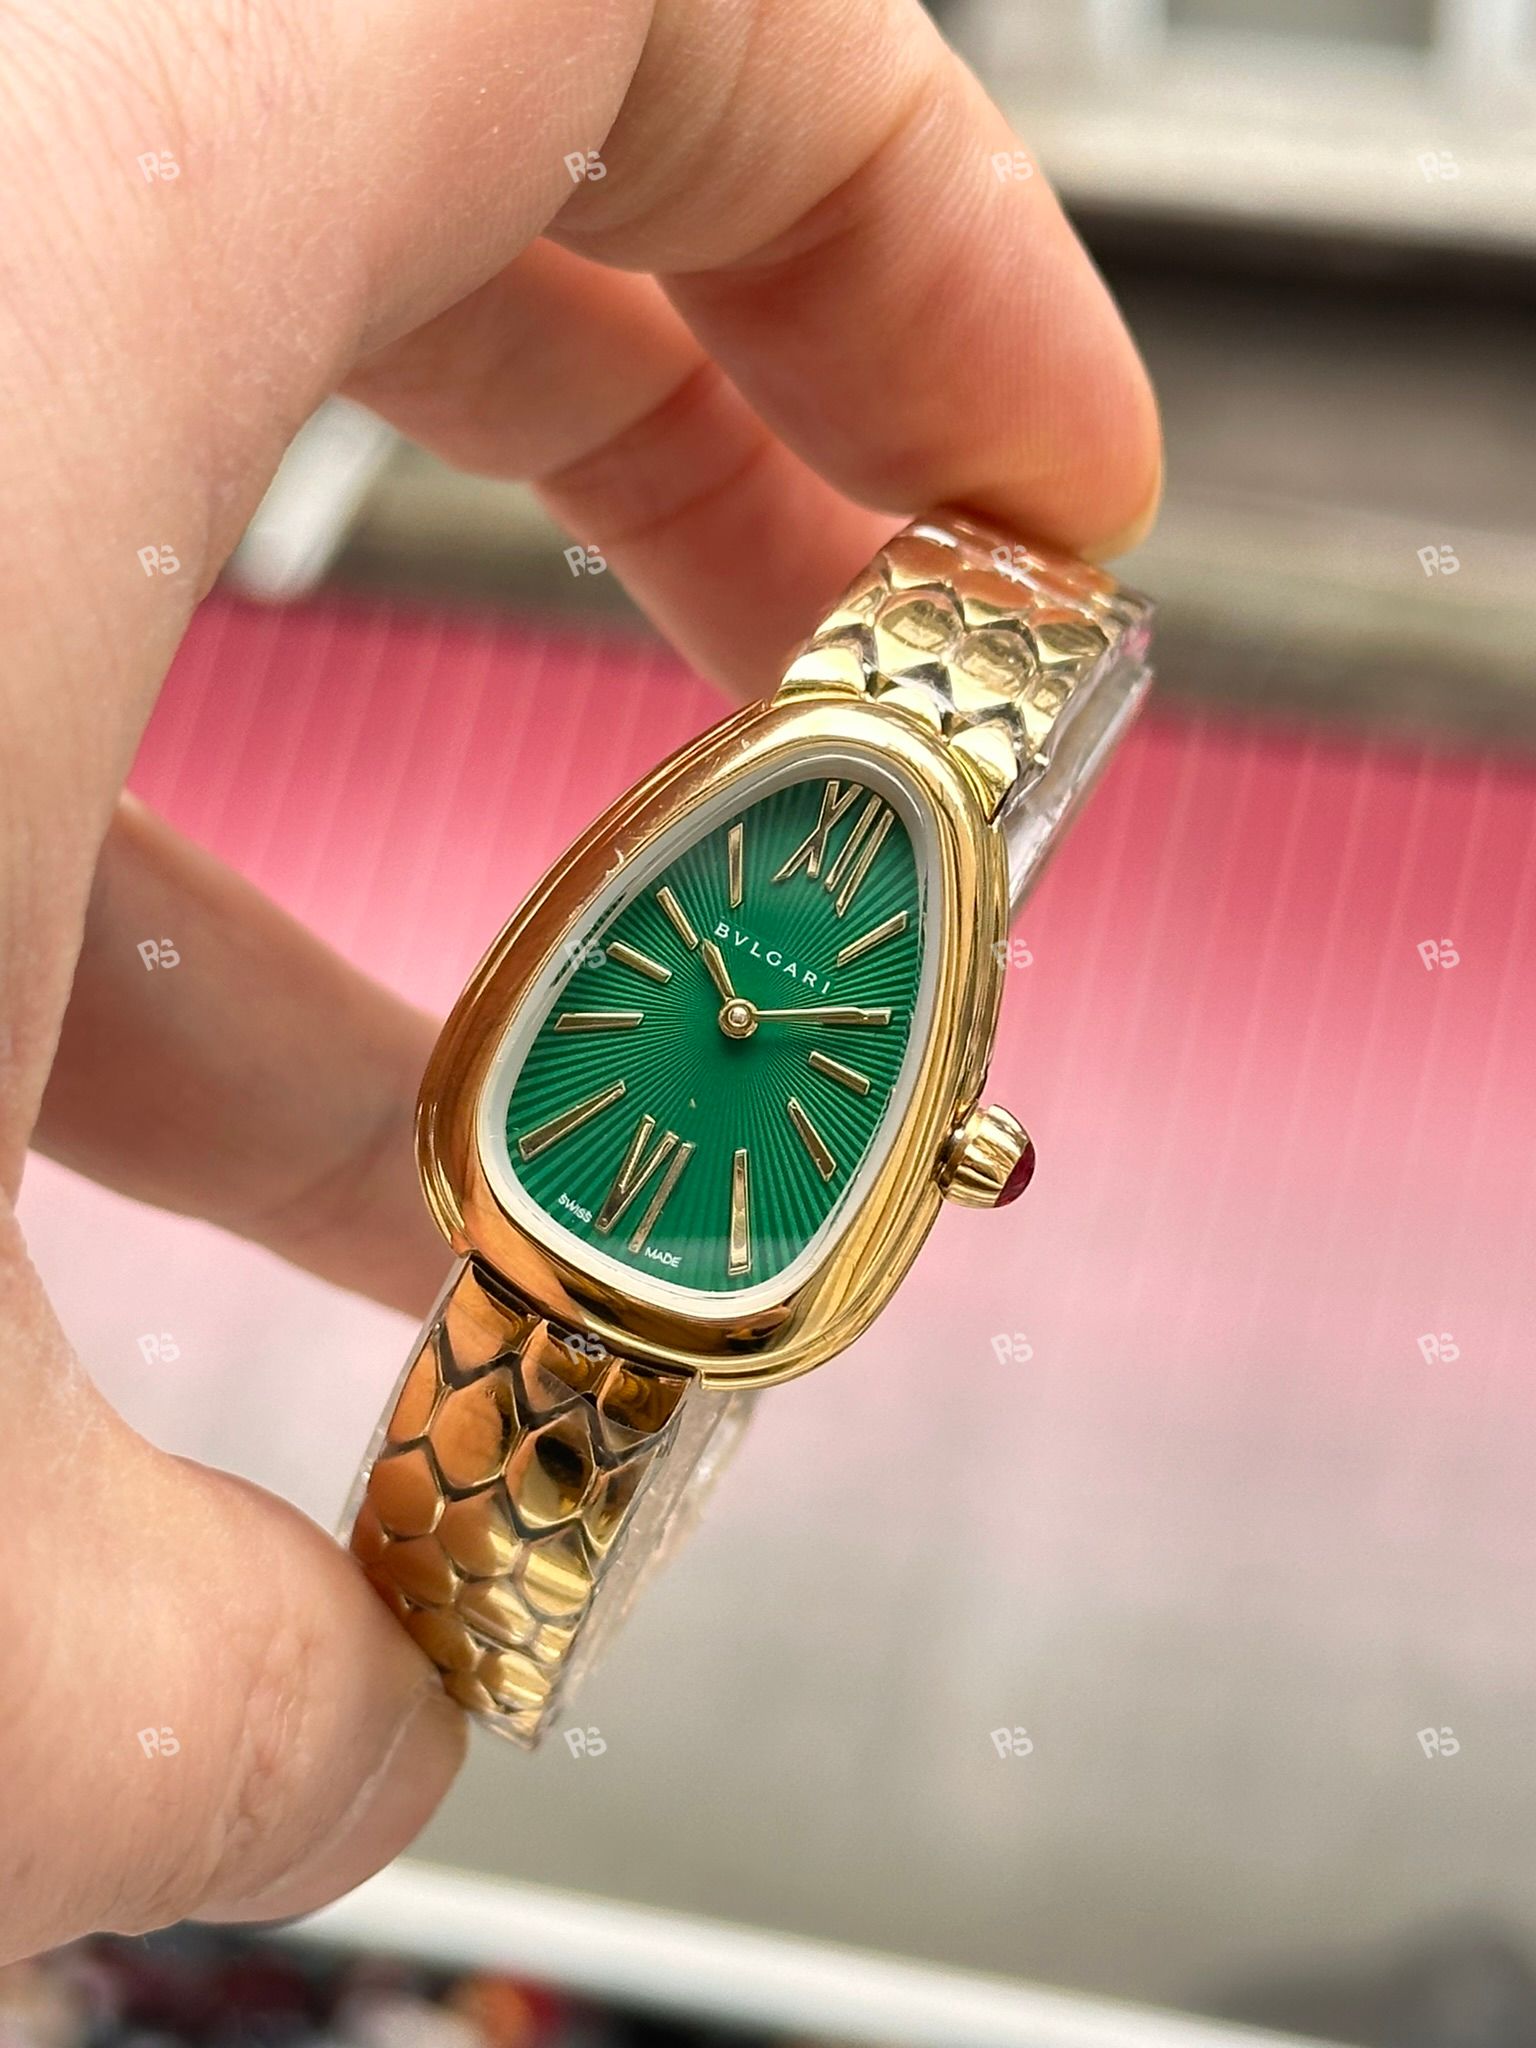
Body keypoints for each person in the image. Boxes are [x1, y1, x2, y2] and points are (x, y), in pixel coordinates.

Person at [0, 0, 1161, 1962]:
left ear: (951, 1149)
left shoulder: (861, 866)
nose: (742, 1011)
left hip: (649, 1221)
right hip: (596, 1188)